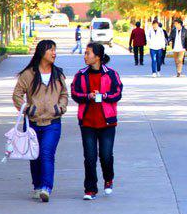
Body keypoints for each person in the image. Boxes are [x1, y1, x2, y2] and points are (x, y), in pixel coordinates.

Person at [12, 39, 68, 203]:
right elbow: (17, 94)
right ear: (42, 52)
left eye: (55, 50)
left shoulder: (58, 74)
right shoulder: (29, 74)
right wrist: (28, 109)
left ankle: (46, 188)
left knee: (46, 153)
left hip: (53, 123)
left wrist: (59, 108)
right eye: (51, 50)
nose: (54, 53)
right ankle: (37, 186)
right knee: (35, 156)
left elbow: (64, 94)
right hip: (32, 123)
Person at [71, 42, 123, 200]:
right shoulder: (81, 75)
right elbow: (74, 93)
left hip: (107, 122)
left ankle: (108, 179)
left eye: (88, 53)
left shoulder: (111, 74)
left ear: (98, 57)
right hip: (87, 122)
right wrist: (88, 96)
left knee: (106, 155)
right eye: (85, 53)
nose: (85, 56)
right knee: (89, 157)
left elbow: (118, 93)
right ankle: (90, 189)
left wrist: (104, 96)